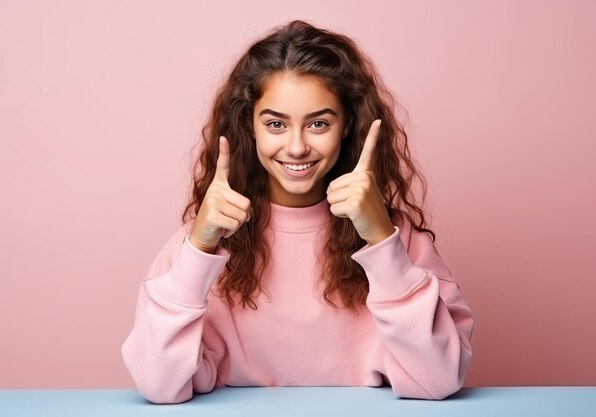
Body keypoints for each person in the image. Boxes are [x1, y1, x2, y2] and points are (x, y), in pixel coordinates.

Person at [121, 20, 474, 404]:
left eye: (318, 123)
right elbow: (158, 384)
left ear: (347, 125)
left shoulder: (398, 241)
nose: (296, 147)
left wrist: (381, 240)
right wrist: (198, 251)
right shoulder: (200, 244)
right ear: (250, 126)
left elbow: (439, 379)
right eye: (275, 124)